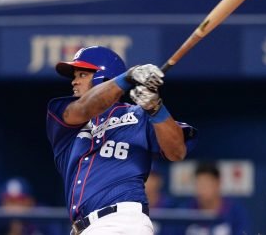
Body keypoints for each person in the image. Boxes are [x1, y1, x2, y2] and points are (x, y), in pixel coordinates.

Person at [46, 45, 198, 235]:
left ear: (104, 77)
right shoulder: (63, 118)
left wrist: (155, 108)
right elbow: (85, 108)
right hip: (85, 227)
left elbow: (177, 151)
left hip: (122, 221)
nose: (74, 82)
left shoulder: (138, 115)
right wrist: (128, 77)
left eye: (82, 75)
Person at [183, 162, 250, 235]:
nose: (202, 190)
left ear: (218, 183)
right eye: (199, 184)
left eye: (207, 184)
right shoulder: (186, 211)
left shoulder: (236, 214)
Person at [0, 177, 64, 235]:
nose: (15, 207)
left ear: (31, 202)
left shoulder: (44, 220)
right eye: (10, 201)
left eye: (20, 200)